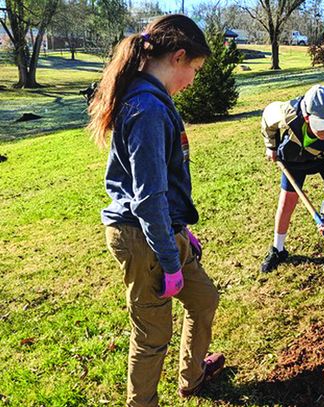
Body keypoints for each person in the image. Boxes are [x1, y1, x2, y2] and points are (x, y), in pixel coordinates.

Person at [87, 15, 223, 406]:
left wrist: (180, 229)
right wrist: (170, 260)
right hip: (142, 236)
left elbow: (158, 188)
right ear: (178, 57)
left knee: (204, 300)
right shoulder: (147, 108)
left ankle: (192, 377)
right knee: (152, 334)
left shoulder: (151, 100)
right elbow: (147, 199)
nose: (194, 80)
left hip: (161, 228)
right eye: (195, 69)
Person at [260, 84, 324, 287]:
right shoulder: (288, 113)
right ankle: (278, 249)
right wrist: (271, 145)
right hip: (294, 158)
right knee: (287, 202)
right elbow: (268, 117)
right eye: (323, 125)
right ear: (308, 117)